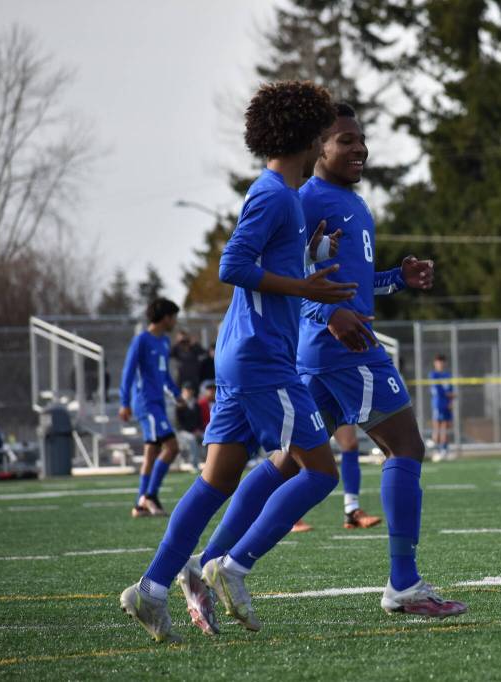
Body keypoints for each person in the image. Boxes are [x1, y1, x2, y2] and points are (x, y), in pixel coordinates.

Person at [196, 103, 466, 626]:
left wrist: (396, 278)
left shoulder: (349, 200)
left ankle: (210, 564)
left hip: (324, 348)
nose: (358, 147)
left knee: (289, 462)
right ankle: (403, 585)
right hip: (342, 348)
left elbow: (347, 280)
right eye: (345, 139)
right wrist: (329, 312)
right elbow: (292, 279)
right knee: (405, 446)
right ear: (318, 146)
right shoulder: (307, 199)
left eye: (361, 139)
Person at [119, 80, 355, 643]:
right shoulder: (274, 193)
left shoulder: (285, 197)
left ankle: (150, 590)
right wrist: (306, 285)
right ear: (308, 134)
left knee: (217, 479)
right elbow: (233, 264)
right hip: (261, 358)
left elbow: (270, 265)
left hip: (241, 357)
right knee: (319, 469)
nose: (329, 135)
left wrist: (311, 258)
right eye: (324, 128)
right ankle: (233, 564)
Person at [119, 299, 185, 518]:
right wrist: (124, 402)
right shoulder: (141, 341)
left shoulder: (164, 342)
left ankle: (140, 504)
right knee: (172, 447)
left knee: (152, 451)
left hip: (158, 402)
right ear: (165, 317)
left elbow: (164, 374)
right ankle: (150, 495)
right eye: (174, 316)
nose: (175, 321)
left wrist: (176, 394)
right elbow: (128, 372)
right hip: (147, 403)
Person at [291, 423, 382, 532]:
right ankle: (290, 515)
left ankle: (352, 510)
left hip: (334, 405)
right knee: (300, 448)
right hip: (307, 406)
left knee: (350, 444)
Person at [429, 354, 455, 461]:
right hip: (438, 404)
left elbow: (451, 390)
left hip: (446, 404)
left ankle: (444, 449)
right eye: (439, 362)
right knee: (437, 427)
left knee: (445, 426)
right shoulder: (433, 374)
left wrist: (451, 401)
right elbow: (438, 390)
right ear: (435, 363)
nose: (441, 364)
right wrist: (449, 395)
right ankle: (437, 450)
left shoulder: (448, 375)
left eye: (442, 362)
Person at [175, 383, 205, 471]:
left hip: (195, 431)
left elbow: (199, 420)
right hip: (182, 432)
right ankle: (194, 465)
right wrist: (191, 431)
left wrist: (198, 430)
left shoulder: (196, 404)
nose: (188, 392)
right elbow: (178, 423)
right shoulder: (179, 404)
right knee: (192, 439)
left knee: (207, 437)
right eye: (186, 390)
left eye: (190, 390)